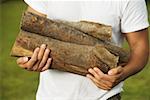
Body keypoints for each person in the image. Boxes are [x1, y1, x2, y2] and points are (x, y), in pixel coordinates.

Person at [16, 0, 149, 100]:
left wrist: (123, 73)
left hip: (104, 97)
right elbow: (28, 33)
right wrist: (29, 60)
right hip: (49, 96)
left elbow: (140, 47)